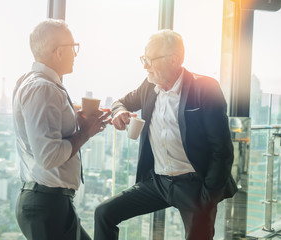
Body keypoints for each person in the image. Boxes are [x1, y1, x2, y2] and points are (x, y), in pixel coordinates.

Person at [94, 29, 237, 240]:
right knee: (104, 213)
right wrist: (120, 111)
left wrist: (207, 198)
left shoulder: (204, 88)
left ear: (174, 60)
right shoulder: (149, 86)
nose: (144, 66)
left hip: (194, 186)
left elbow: (222, 151)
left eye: (150, 59)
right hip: (158, 182)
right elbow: (119, 102)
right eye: (143, 59)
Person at [12, 19, 111, 240]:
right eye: (73, 47)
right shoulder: (42, 88)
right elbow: (49, 156)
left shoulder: (37, 83)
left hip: (49, 202)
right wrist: (85, 132)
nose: (76, 54)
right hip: (47, 204)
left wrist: (73, 118)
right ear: (58, 52)